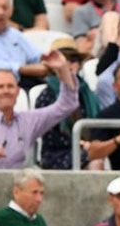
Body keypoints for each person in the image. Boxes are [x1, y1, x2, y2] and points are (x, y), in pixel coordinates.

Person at [0, 53, 79, 169]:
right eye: (0, 87)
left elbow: (67, 105)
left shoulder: (29, 120)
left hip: (18, 187)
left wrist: (63, 70)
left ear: (18, 92)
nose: (6, 91)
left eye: (10, 86)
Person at [34, 37, 102, 170]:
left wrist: (93, 144)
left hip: (87, 148)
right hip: (57, 153)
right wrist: (80, 144)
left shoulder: (88, 93)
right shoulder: (46, 96)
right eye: (63, 60)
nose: (68, 64)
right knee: (95, 160)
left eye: (73, 60)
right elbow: (49, 136)